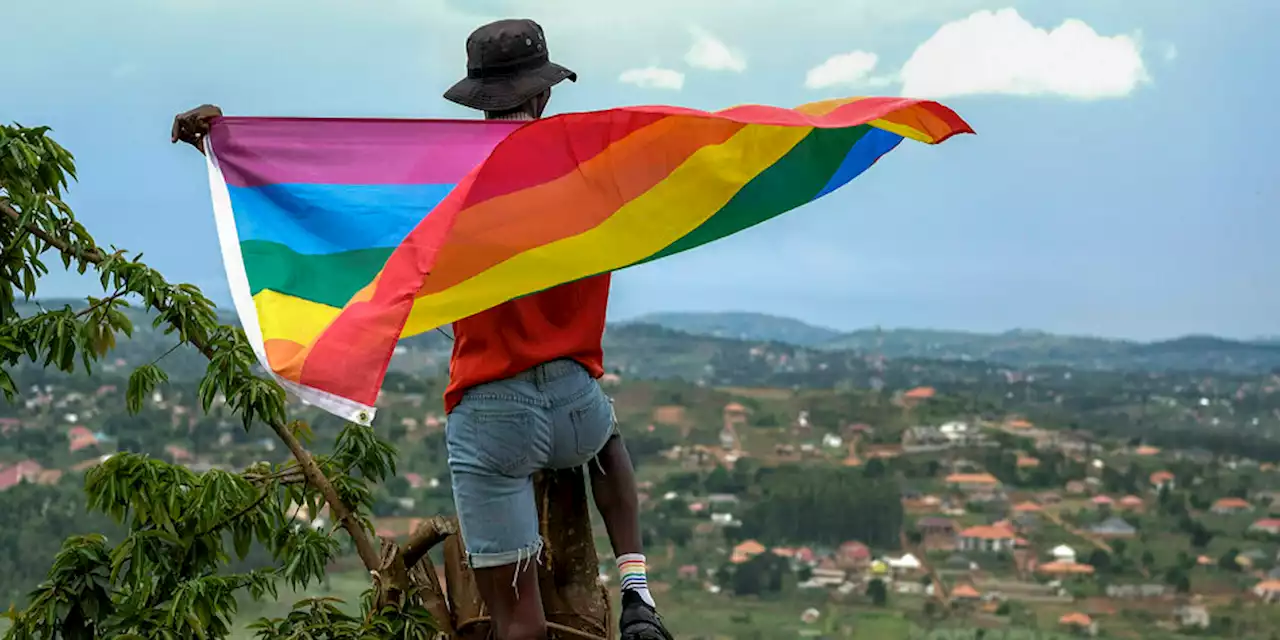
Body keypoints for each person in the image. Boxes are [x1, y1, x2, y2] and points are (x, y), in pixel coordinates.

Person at [172, 17, 673, 640]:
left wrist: (220, 148)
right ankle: (637, 592)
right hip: (575, 403)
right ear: (543, 94)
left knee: (519, 623)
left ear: (479, 98)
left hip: (492, 418)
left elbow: (335, 211)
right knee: (609, 446)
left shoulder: (451, 185)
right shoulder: (588, 169)